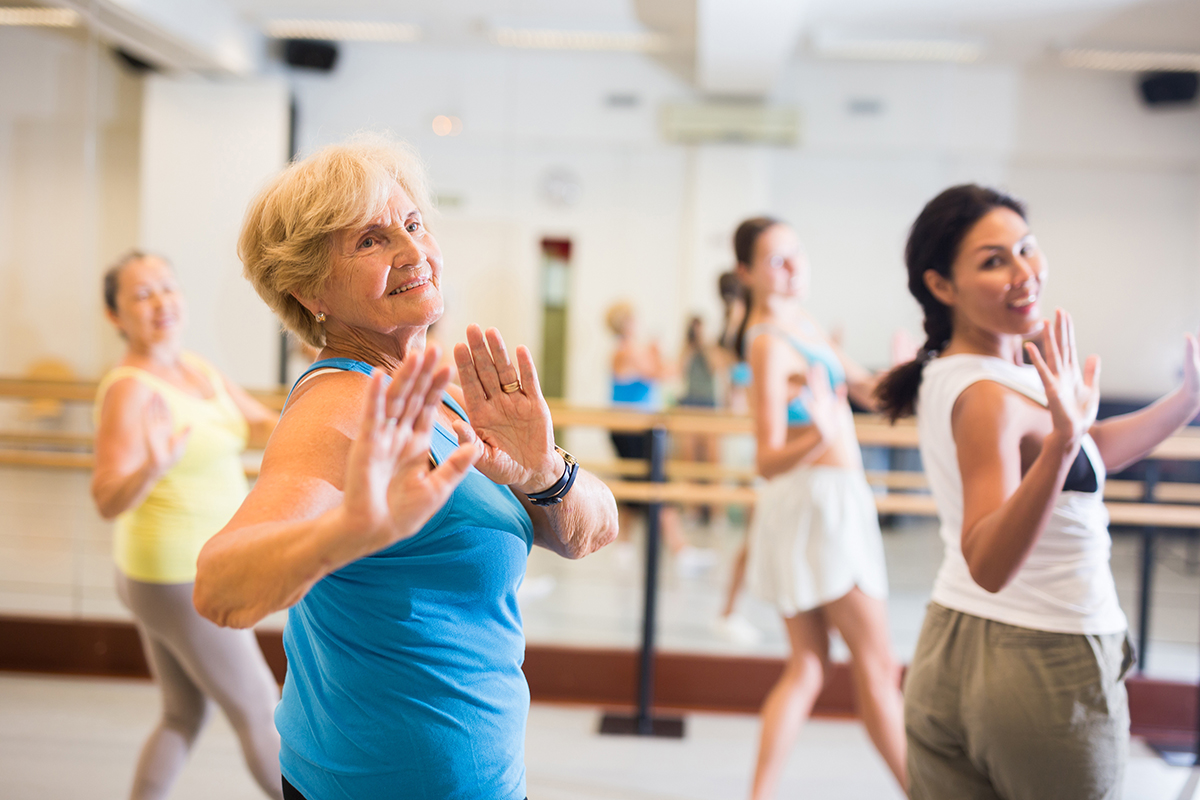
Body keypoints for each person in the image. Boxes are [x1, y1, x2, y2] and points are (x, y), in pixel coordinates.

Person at [192, 137, 618, 800]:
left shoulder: (438, 385)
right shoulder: (338, 410)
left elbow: (593, 531)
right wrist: (348, 532)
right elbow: (220, 587)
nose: (413, 251)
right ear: (310, 291)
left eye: (413, 224)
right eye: (369, 240)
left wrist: (544, 474)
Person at [876, 184, 1200, 800]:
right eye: (994, 260)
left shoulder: (960, 371)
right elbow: (988, 559)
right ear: (942, 286)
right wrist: (1060, 444)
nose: (1025, 272)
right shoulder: (991, 396)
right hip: (1042, 660)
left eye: (1026, 248)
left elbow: (1089, 451)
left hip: (953, 647)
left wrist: (1186, 401)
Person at [90, 252, 283, 800]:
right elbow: (106, 499)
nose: (160, 303)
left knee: (181, 715)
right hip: (177, 577)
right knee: (258, 708)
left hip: (179, 573)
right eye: (142, 295)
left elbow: (264, 424)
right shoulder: (129, 389)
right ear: (116, 316)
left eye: (167, 289)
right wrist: (150, 469)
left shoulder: (196, 369)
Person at [733, 217, 907, 799]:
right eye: (776, 259)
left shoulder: (803, 324)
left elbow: (867, 391)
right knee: (878, 666)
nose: (792, 267)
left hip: (829, 505)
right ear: (747, 273)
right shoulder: (765, 341)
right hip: (819, 509)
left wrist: (908, 369)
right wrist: (824, 434)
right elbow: (767, 456)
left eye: (796, 254)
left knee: (809, 664)